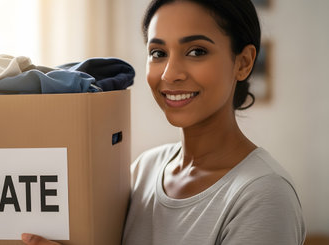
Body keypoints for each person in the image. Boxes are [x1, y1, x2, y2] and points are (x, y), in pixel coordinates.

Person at [21, 0, 306, 244]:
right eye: (158, 53)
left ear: (243, 62)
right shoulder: (144, 170)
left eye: (196, 51)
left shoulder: (264, 194)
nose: (170, 74)